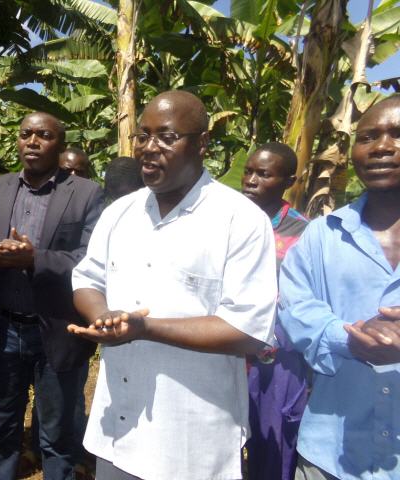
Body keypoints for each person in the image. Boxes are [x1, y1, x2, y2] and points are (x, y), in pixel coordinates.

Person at [69, 90, 278, 480]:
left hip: (190, 440)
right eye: (143, 136)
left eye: (166, 137)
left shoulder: (241, 220)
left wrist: (144, 328)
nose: (149, 148)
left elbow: (248, 331)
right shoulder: (119, 214)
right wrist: (104, 317)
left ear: (202, 143)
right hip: (117, 431)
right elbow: (87, 278)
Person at [0, 111, 103, 480]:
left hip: (55, 329)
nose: (33, 142)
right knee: (1, 433)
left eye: (44, 135)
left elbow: (90, 259)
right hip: (2, 330)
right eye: (26, 134)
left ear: (60, 143)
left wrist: (33, 259)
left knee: (56, 436)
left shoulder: (85, 193)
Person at [279, 95, 400, 479]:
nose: (382, 147)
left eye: (397, 135)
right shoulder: (321, 235)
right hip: (329, 456)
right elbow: (294, 309)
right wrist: (348, 338)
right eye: (368, 137)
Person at [241, 142, 309, 480]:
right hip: (223, 351)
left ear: (289, 181)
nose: (251, 180)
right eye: (248, 171)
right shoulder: (227, 221)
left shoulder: (303, 232)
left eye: (263, 174)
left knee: (272, 446)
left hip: (275, 359)